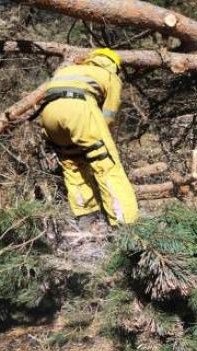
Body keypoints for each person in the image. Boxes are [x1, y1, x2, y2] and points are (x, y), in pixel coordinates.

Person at [39, 48, 138, 228]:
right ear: (114, 65)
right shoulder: (109, 75)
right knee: (106, 164)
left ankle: (86, 215)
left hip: (48, 115)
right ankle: (125, 223)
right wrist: (99, 140)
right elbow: (108, 114)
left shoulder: (67, 70)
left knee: (71, 163)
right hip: (78, 108)